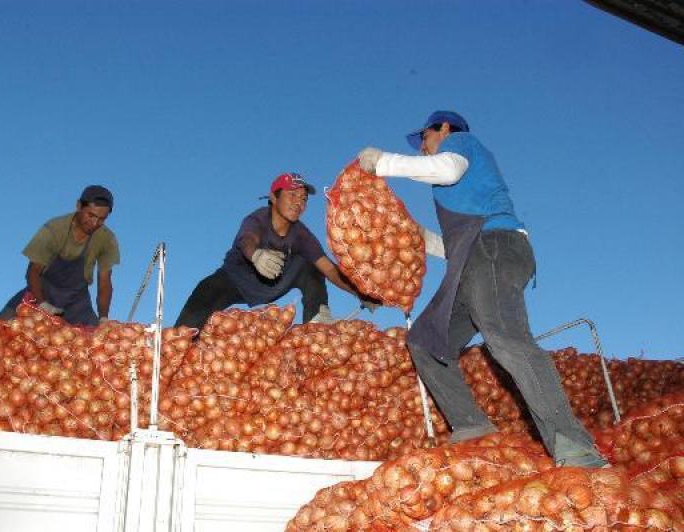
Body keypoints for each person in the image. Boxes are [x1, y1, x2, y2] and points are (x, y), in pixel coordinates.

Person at [358, 111, 607, 467]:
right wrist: (418, 238)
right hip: (473, 260)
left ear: (443, 129)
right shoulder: (461, 190)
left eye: (425, 137)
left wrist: (384, 162)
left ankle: (574, 445)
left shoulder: (462, 143)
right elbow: (453, 246)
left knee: (505, 336)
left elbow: (447, 170)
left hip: (494, 248)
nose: (423, 147)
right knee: (426, 342)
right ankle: (474, 428)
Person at [175, 172, 377, 330]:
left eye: (304, 198)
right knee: (205, 290)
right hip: (235, 282)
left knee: (311, 264)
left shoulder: (301, 234)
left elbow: (330, 270)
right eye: (292, 195)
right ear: (273, 197)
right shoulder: (257, 219)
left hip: (275, 283)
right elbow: (248, 239)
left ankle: (317, 319)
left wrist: (360, 292)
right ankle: (177, 344)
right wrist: (256, 255)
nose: (299, 202)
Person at [0, 185, 120, 326]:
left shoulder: (107, 239)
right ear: (79, 206)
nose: (95, 223)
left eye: (101, 219)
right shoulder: (54, 230)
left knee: (95, 341)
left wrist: (103, 317)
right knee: (2, 324)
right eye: (91, 215)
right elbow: (33, 271)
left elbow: (105, 282)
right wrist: (42, 304)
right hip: (43, 292)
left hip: (77, 302)